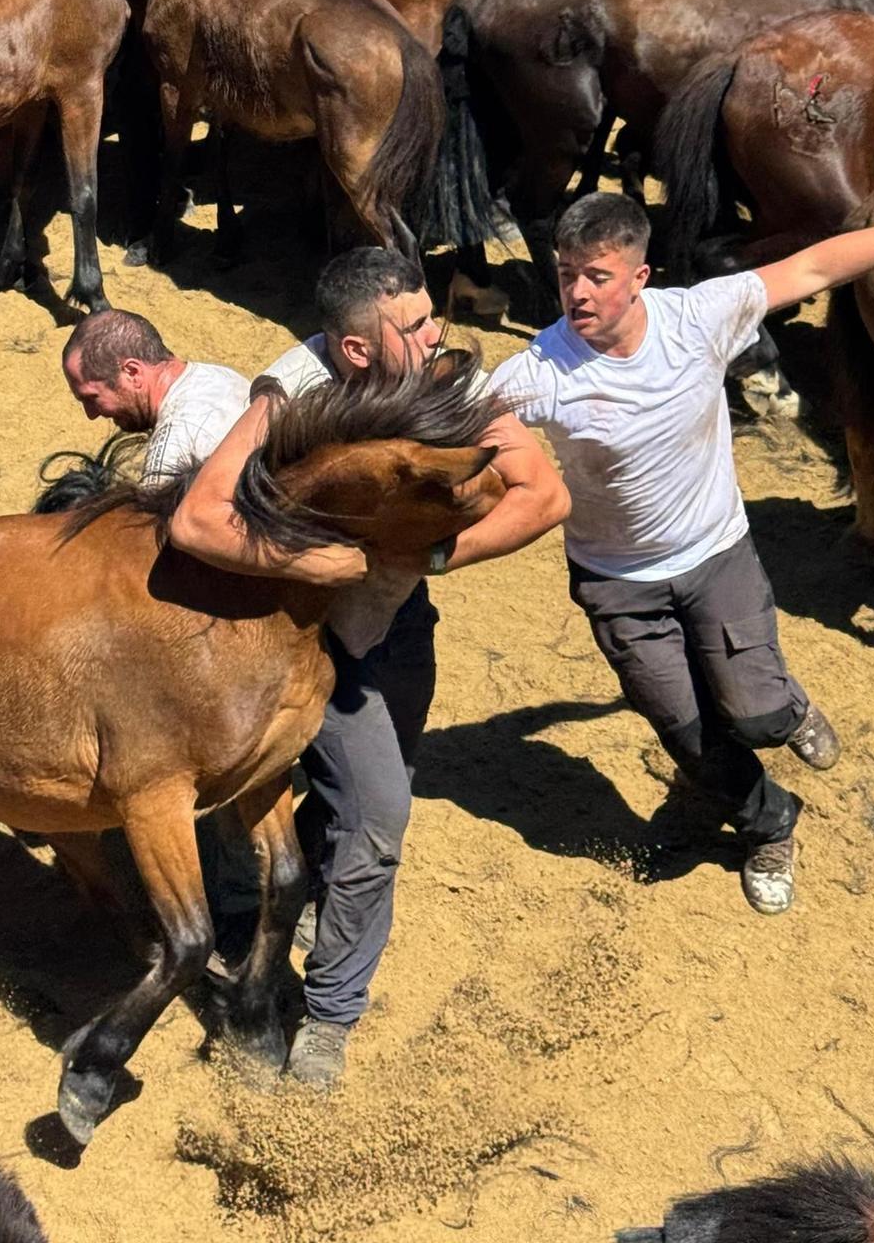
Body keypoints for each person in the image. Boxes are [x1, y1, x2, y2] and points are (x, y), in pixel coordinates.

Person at [494, 188, 874, 917]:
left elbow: (816, 267)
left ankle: (787, 709)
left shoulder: (698, 316)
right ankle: (770, 824)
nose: (577, 292)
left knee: (757, 716)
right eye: (565, 273)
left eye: (597, 276)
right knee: (688, 736)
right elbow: (447, 421)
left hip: (715, 555)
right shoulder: (541, 368)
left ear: (639, 277)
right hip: (617, 582)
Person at [169, 247, 571, 1090]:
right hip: (304, 644)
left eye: (430, 316)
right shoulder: (291, 392)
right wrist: (316, 562)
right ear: (355, 350)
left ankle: (294, 908)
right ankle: (327, 1017)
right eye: (414, 325)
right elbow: (198, 520)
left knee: (356, 808)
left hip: (398, 623)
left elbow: (545, 494)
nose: (435, 334)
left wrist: (433, 558)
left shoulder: (449, 378)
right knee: (379, 815)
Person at [61, 309, 249, 484]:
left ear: (132, 373)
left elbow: (155, 510)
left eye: (91, 398)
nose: (91, 414)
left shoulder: (173, 451)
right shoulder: (220, 376)